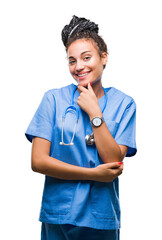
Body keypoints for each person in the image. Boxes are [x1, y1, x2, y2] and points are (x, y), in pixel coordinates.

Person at [25, 15, 137, 240]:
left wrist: (95, 113)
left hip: (101, 217)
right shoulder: (53, 100)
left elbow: (113, 162)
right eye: (72, 60)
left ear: (104, 57)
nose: (79, 66)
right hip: (59, 216)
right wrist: (92, 174)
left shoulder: (124, 104)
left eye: (87, 57)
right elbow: (38, 161)